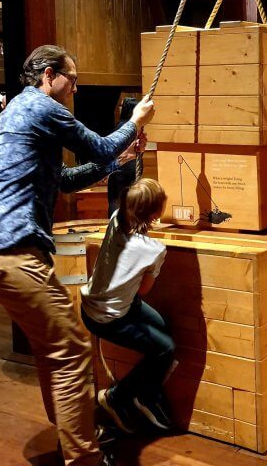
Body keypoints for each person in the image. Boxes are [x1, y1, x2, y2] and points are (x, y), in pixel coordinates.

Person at [0, 44, 155, 466]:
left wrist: (118, 158)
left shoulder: (16, 112)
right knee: (70, 349)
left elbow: (65, 180)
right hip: (12, 252)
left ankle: (73, 439)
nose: (75, 88)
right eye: (73, 79)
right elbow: (97, 147)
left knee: (54, 348)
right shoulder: (41, 106)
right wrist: (134, 122)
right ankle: (83, 457)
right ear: (49, 75)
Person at [81, 177, 175, 433]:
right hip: (110, 317)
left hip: (91, 305)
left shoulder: (115, 221)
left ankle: (148, 392)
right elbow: (144, 290)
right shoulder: (154, 249)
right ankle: (119, 396)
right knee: (166, 349)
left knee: (163, 326)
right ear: (156, 212)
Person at [107, 97, 140, 217]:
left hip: (121, 166)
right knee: (130, 198)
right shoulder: (136, 127)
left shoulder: (122, 126)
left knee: (115, 199)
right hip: (133, 166)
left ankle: (114, 224)